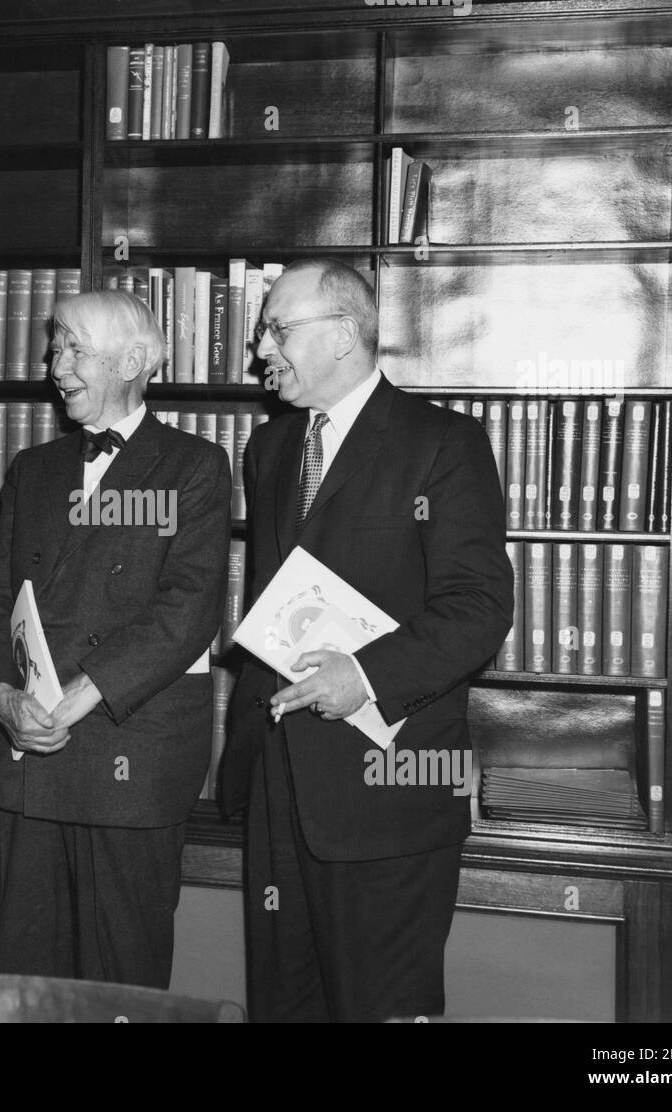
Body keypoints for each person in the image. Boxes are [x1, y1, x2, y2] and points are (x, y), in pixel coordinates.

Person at [221, 258, 512, 1022]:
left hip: (390, 794)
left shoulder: (443, 443)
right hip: (278, 790)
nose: (259, 349)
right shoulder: (269, 450)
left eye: (277, 329)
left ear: (346, 334)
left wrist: (367, 675)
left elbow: (481, 606)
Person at [0, 290, 231, 988]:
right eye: (57, 347)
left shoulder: (195, 468)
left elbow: (186, 612)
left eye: (75, 347)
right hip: (19, 769)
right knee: (19, 985)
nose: (55, 364)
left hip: (127, 773)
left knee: (121, 987)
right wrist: (1, 695)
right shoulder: (33, 469)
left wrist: (71, 701)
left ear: (137, 361)